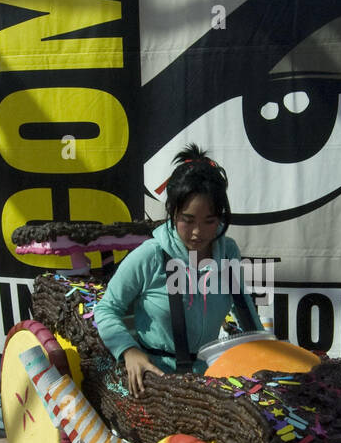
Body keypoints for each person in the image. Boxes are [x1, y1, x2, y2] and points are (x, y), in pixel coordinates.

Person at [93, 145, 261, 396]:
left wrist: (263, 354)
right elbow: (106, 309)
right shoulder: (149, 256)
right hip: (155, 380)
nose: (197, 233)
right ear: (172, 212)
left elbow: (243, 305)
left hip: (210, 380)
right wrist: (129, 351)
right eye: (188, 219)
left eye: (210, 221)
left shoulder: (228, 252)